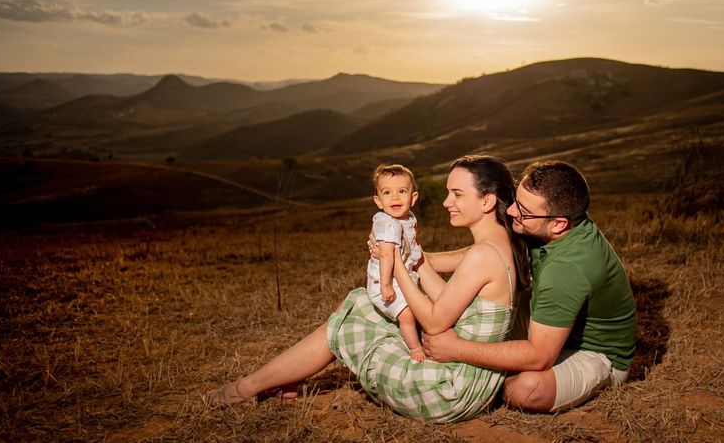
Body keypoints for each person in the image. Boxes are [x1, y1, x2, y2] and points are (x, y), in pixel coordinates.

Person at [209, 155, 531, 423]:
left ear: (487, 200)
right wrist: (398, 250)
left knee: (351, 313)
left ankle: (249, 387)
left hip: (449, 390)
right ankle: (278, 379)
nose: (447, 202)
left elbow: (435, 321)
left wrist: (396, 263)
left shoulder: (482, 255)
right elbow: (434, 278)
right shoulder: (499, 244)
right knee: (362, 300)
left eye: (457, 194)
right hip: (470, 380)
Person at [422, 160, 636, 413]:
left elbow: (539, 356)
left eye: (523, 210)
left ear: (559, 224)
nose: (512, 211)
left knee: (525, 389)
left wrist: (457, 349)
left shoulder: (567, 269)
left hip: (594, 351)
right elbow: (492, 251)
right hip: (550, 322)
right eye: (516, 201)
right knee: (478, 305)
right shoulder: (546, 220)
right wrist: (424, 259)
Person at [366, 163, 424, 361]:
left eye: (401, 191)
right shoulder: (387, 223)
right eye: (387, 192)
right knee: (407, 315)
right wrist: (385, 285)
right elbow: (385, 256)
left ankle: (415, 336)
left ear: (413, 198)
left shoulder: (409, 219)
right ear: (378, 201)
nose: (395, 198)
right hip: (384, 281)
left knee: (418, 309)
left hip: (402, 277)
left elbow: (412, 242)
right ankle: (415, 349)